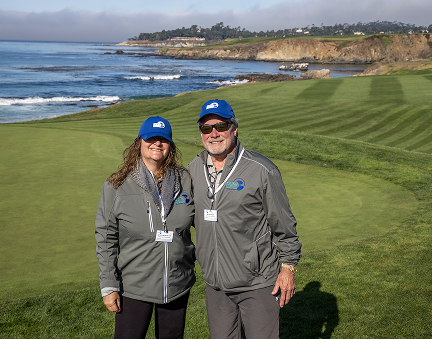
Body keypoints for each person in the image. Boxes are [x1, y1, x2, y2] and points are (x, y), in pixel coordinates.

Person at [187, 99, 302, 339]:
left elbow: (284, 225)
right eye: (207, 129)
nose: (214, 134)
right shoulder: (193, 168)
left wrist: (288, 267)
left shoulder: (261, 169)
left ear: (234, 128)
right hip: (216, 285)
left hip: (257, 283)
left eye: (221, 126)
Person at [95, 116, 195, 339]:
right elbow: (105, 237)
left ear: (170, 144)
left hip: (177, 283)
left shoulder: (185, 180)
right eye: (151, 138)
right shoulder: (117, 185)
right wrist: (109, 284)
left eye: (163, 139)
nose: (157, 144)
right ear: (139, 142)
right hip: (134, 286)